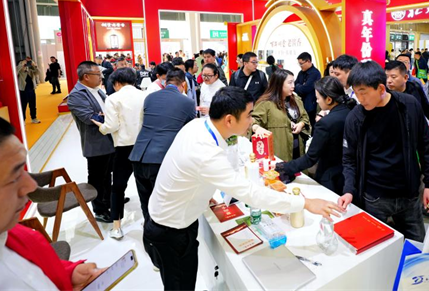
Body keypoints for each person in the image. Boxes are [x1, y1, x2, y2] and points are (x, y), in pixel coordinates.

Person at [144, 87, 342, 290]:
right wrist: (305, 203)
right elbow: (251, 194)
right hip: (170, 229)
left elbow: (191, 172)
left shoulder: (199, 125)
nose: (251, 120)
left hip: (174, 217)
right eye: (248, 115)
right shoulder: (205, 152)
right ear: (229, 120)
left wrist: (203, 191)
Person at [0, 116, 107, 290]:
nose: (31, 185)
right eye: (13, 177)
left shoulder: (17, 236)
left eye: (23, 170)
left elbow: (35, 269)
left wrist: (69, 275)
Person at [338, 61, 429, 242]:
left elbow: (426, 145)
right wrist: (348, 190)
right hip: (374, 197)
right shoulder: (355, 118)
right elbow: (349, 158)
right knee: (376, 246)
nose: (360, 98)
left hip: (409, 194)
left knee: (416, 245)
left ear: (381, 88)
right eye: (356, 92)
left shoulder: (408, 105)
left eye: (363, 92)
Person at [129, 69, 196, 222]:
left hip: (138, 155)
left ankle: (148, 228)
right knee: (164, 205)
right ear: (183, 84)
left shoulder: (149, 97)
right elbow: (189, 130)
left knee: (145, 200)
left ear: (165, 82)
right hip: (162, 158)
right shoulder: (187, 102)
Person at [276, 77, 355, 194]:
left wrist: (284, 167)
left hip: (331, 177)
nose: (317, 101)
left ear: (329, 99)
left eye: (318, 98)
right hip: (350, 176)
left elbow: (310, 158)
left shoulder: (325, 123)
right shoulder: (351, 111)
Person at [91, 68, 146, 239]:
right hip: (143, 146)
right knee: (146, 186)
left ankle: (117, 227)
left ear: (116, 83)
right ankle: (149, 221)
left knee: (118, 187)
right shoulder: (145, 95)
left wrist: (101, 126)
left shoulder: (113, 98)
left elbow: (112, 126)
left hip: (123, 148)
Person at [67, 61, 115, 223]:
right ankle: (99, 209)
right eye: (98, 74)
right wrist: (107, 116)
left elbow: (105, 113)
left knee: (107, 174)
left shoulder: (97, 90)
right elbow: (91, 118)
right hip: (95, 144)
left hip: (108, 139)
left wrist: (105, 115)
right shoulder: (76, 95)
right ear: (86, 76)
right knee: (97, 178)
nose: (101, 77)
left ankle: (108, 200)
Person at [252, 69, 311, 162]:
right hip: (279, 150)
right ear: (279, 84)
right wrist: (256, 128)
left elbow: (304, 116)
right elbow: (252, 120)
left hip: (298, 148)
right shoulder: (265, 103)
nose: (293, 86)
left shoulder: (296, 99)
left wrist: (301, 124)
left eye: (293, 82)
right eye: (290, 83)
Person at [295, 52, 322, 127]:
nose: (300, 66)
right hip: (301, 105)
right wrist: (299, 86)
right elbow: (295, 85)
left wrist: (299, 86)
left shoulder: (315, 73)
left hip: (311, 106)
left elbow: (305, 89)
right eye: (299, 64)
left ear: (308, 61)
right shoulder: (301, 73)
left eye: (301, 64)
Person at [16, 56, 40, 124]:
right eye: (23, 63)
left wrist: (34, 65)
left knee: (33, 105)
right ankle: (22, 120)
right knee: (23, 106)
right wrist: (21, 64)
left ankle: (34, 118)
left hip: (31, 90)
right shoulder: (19, 72)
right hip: (23, 91)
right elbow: (16, 71)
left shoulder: (30, 70)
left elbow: (38, 73)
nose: (25, 64)